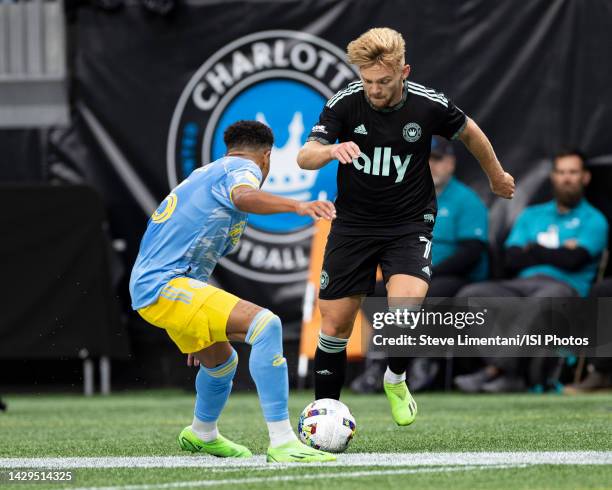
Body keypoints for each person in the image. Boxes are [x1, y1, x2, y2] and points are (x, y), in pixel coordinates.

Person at [297, 27, 514, 426]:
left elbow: (471, 133)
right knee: (336, 324)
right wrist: (330, 150)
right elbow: (304, 157)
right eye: (367, 81)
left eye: (383, 81)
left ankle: (395, 378)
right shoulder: (345, 103)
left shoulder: (428, 104)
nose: (374, 90)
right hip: (354, 225)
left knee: (405, 310)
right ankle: (324, 415)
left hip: (408, 223)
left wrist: (496, 176)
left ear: (404, 72)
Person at [129, 120, 336, 462]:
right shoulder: (243, 168)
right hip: (164, 284)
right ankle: (283, 441)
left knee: (222, 362)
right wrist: (298, 206)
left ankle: (202, 434)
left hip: (167, 285)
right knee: (266, 325)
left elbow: (186, 245)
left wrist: (196, 321)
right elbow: (244, 195)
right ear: (267, 157)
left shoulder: (206, 173)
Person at [454, 149, 609, 393]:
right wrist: (556, 251)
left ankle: (497, 370)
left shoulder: (594, 219)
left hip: (565, 289)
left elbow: (574, 260)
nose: (566, 178)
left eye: (573, 172)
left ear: (585, 178)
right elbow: (512, 258)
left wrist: (533, 249)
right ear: (553, 177)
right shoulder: (532, 214)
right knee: (469, 295)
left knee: (541, 301)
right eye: (561, 172)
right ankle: (510, 374)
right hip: (521, 284)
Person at [351, 136, 489, 393]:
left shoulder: (466, 199)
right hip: (413, 271)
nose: (431, 165)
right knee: (374, 292)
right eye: (425, 160)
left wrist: (426, 272)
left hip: (452, 275)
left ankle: (422, 361)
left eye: (437, 160)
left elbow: (472, 251)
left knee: (427, 294)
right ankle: (379, 363)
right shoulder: (407, 196)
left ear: (450, 163)